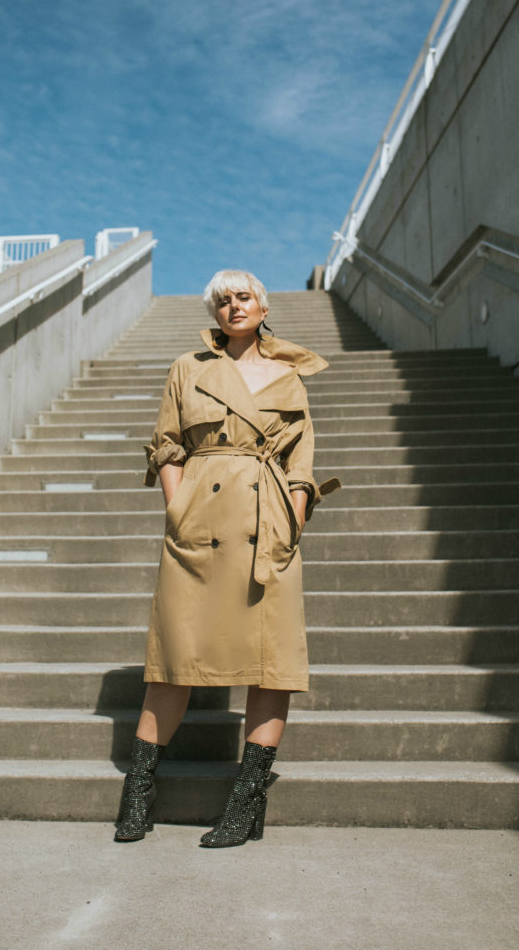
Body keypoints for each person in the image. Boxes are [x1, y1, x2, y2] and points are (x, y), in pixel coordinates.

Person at [113, 269, 339, 847]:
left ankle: (246, 804)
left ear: (264, 307)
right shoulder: (189, 368)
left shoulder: (290, 375)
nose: (233, 306)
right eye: (222, 300)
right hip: (201, 523)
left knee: (271, 666)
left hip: (266, 526)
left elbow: (301, 461)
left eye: (243, 297)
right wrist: (178, 506)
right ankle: (138, 792)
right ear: (214, 313)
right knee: (175, 659)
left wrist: (294, 515)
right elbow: (167, 443)